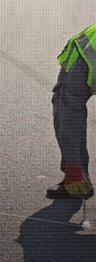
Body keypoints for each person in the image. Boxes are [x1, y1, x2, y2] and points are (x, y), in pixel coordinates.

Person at [47, 23, 96, 200]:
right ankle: (77, 178)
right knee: (66, 110)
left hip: (90, 59)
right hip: (86, 53)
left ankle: (76, 179)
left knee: (67, 113)